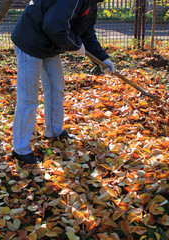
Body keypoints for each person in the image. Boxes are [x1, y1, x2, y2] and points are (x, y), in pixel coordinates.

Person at [11, 0, 115, 164]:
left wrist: (103, 58)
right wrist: (74, 44)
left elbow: (86, 32)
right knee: (28, 98)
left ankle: (54, 131)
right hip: (30, 40)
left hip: (50, 44)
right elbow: (54, 26)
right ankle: (20, 150)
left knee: (56, 88)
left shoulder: (91, 3)